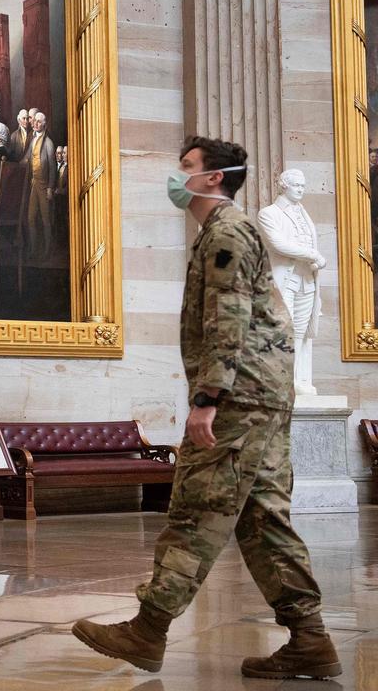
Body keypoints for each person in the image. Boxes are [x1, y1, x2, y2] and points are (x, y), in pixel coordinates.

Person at [72, 136, 341, 681]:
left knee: (197, 507)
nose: (178, 176)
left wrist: (207, 398)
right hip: (259, 392)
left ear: (214, 177)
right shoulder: (224, 232)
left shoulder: (229, 232)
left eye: (187, 167)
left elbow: (229, 315)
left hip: (241, 394)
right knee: (263, 519)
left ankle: (148, 629)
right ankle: (309, 639)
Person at [257, 169, 325, 395]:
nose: (301, 190)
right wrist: (313, 255)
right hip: (285, 279)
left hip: (307, 279)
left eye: (303, 186)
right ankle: (281, 382)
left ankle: (300, 380)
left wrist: (313, 260)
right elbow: (278, 244)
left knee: (301, 332)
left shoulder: (304, 214)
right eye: (296, 185)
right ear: (283, 186)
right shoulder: (269, 213)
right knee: (282, 329)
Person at [24, 111, 56, 259]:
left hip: (44, 186)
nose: (35, 123)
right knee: (30, 218)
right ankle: (33, 249)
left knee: (45, 219)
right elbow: (26, 160)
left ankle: (47, 251)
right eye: (34, 121)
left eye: (38, 121)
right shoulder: (33, 141)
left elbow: (52, 167)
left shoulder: (48, 143)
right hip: (34, 183)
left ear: (44, 124)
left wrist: (50, 187)